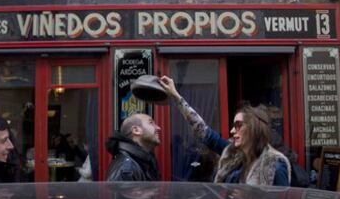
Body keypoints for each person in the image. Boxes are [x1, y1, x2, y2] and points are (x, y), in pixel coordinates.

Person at [159, 76, 291, 186]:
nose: (232, 130)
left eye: (238, 125)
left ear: (253, 128)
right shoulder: (233, 154)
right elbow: (203, 131)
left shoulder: (275, 166)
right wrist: (176, 97)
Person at [106, 113, 161, 181]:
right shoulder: (126, 169)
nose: (158, 128)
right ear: (136, 130)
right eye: (151, 123)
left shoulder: (144, 161)